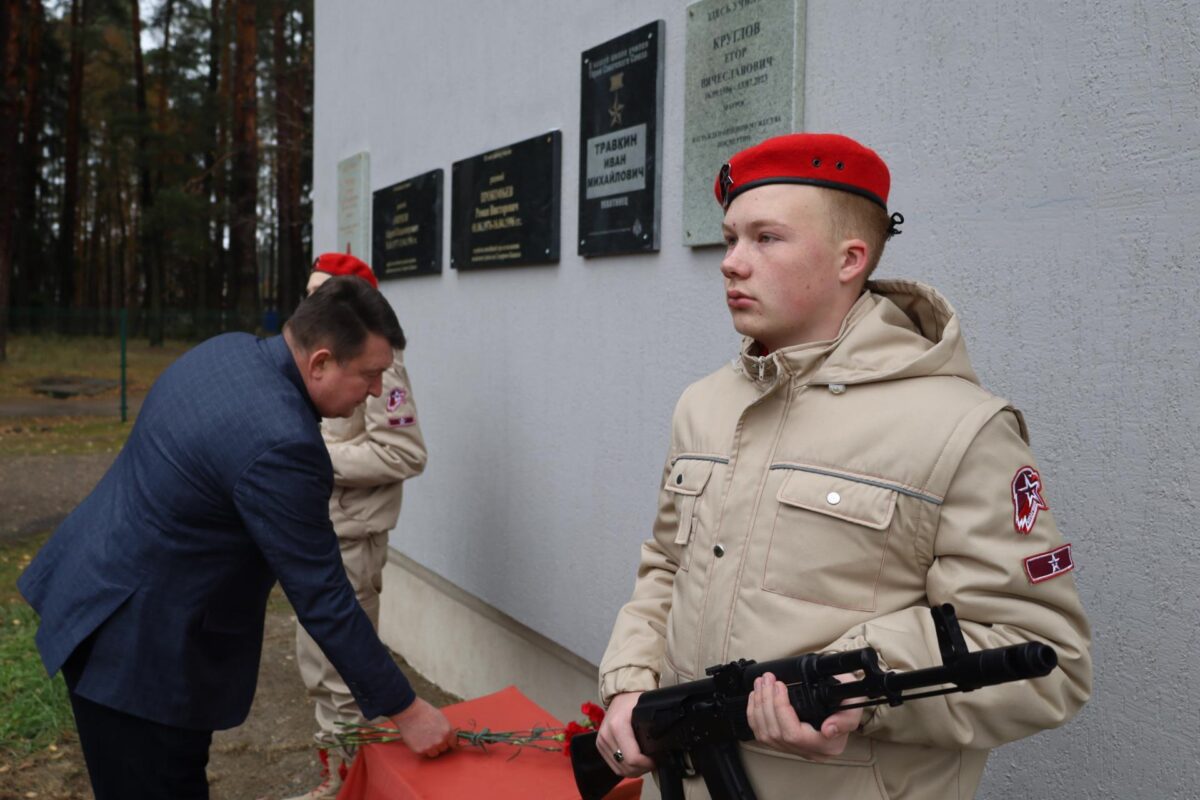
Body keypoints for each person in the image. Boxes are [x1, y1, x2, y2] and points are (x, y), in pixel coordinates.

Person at [593, 133, 1092, 799]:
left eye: (766, 239)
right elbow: (665, 568)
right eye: (730, 238)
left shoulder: (959, 427)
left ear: (848, 258)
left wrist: (864, 686)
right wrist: (630, 686)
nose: (731, 264)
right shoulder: (705, 406)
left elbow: (1044, 659)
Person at [17, 276, 455, 800]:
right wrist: (407, 710)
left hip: (97, 595)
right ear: (319, 362)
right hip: (141, 656)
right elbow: (323, 597)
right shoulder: (284, 445)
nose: (378, 392)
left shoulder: (227, 351)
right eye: (370, 374)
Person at [286, 254, 428, 800]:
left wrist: (312, 457)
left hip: (351, 542)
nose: (311, 307)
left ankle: (352, 788)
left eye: (325, 295)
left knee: (344, 678)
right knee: (320, 674)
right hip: (317, 536)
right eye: (309, 293)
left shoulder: (377, 366)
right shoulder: (313, 358)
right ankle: (339, 780)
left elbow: (404, 451)